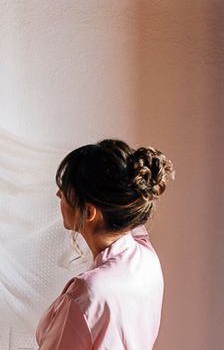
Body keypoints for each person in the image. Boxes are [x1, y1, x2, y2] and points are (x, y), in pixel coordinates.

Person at [35, 139, 175, 349]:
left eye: (65, 189)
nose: (58, 194)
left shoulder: (87, 293)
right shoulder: (146, 256)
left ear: (89, 212)